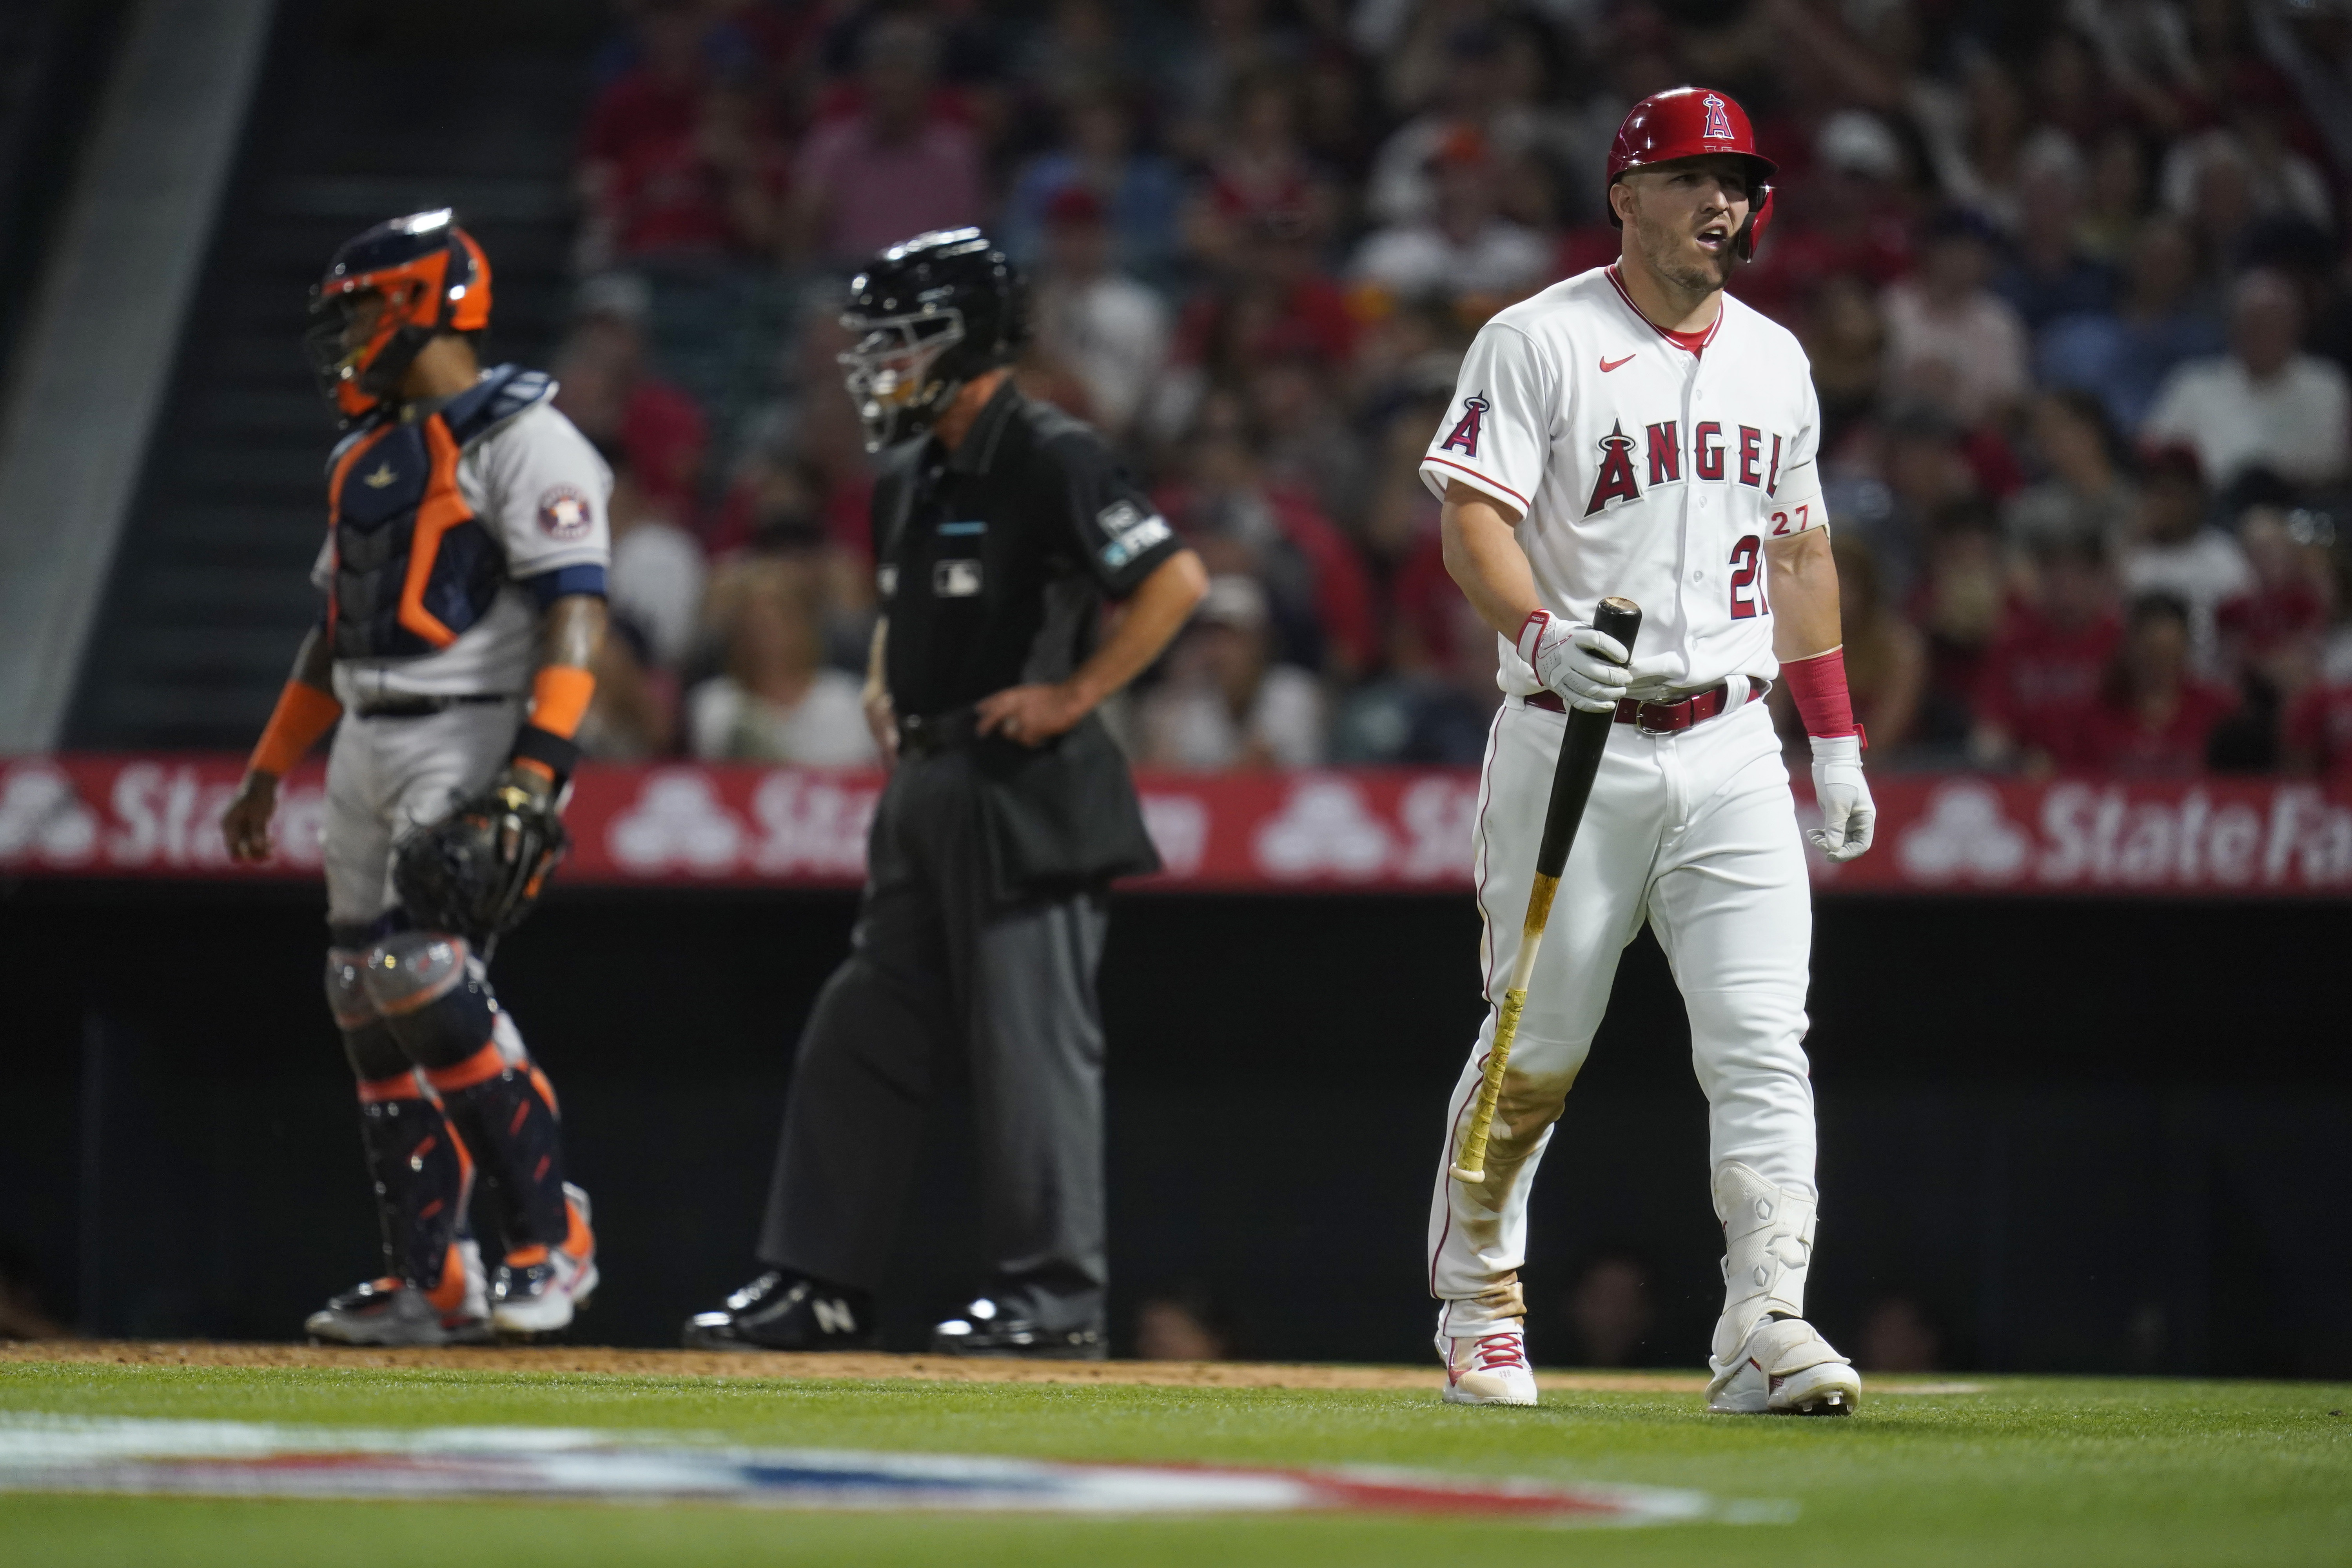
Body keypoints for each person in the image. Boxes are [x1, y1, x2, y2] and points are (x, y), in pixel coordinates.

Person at [1419, 89, 1869, 1415]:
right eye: (1688, 178)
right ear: (1625, 194)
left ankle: (1764, 1323)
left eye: (1736, 181)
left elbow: (1800, 550)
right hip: (1577, 742)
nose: (1720, 203)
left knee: (1761, 1043)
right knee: (1535, 1037)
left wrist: (1833, 738)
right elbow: (1473, 525)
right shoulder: (1535, 339)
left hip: (1734, 741)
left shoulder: (1776, 358)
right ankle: (1480, 1307)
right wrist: (1539, 631)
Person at [684, 230, 1207, 1358]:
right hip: (926, 784)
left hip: (1027, 790)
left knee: (1030, 1051)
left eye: (897, 343)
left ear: (966, 337)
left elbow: (1175, 579)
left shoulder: (1054, 454)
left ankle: (1054, 1303)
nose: (874, 366)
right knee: (856, 1033)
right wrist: (883, 680)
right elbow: (901, 611)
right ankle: (817, 1282)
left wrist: (1074, 694)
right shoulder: (916, 472)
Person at [218, 212, 608, 1344]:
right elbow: (333, 630)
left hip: (473, 724)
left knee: (423, 971)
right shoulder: (362, 456)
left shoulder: (527, 439)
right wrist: (268, 766)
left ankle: (550, 1236)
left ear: (422, 302)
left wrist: (540, 773)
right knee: (361, 994)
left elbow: (577, 607)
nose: (342, 340)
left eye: (357, 312)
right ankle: (431, 1281)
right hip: (370, 731)